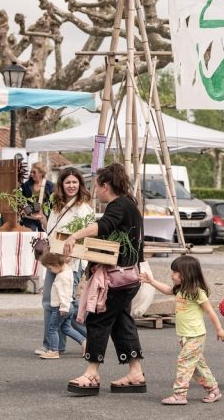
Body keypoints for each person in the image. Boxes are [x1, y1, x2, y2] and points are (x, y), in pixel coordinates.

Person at [63, 162, 146, 395]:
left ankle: (91, 373)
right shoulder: (129, 204)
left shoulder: (118, 204)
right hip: (130, 275)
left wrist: (74, 236)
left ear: (105, 185)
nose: (95, 191)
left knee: (98, 319)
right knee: (121, 323)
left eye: (96, 186)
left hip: (118, 277)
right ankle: (135, 373)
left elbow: (103, 226)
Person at [140, 256, 224, 405]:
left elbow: (210, 311)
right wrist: (151, 281)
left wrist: (219, 329)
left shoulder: (198, 292)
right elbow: (167, 290)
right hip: (184, 336)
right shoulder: (180, 289)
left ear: (185, 274)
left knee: (184, 363)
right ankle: (214, 390)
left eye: (174, 272)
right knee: (198, 366)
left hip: (196, 336)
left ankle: (179, 395)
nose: (171, 275)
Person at [33, 167, 93, 357]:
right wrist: (42, 218)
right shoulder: (57, 206)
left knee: (63, 305)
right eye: (68, 182)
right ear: (61, 184)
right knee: (51, 302)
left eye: (75, 182)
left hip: (70, 263)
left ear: (80, 184)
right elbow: (52, 232)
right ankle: (53, 345)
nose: (71, 186)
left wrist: (71, 257)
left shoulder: (84, 209)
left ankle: (89, 339)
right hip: (54, 259)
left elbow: (85, 238)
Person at [39, 252, 87, 359]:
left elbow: (64, 294)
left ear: (56, 264)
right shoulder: (68, 271)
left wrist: (63, 307)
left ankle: (54, 351)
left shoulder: (62, 277)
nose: (50, 271)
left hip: (61, 308)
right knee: (66, 328)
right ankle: (84, 342)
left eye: (50, 268)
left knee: (53, 328)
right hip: (67, 306)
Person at [21, 162, 54, 232]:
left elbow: (53, 202)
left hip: (44, 218)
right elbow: (22, 199)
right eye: (31, 172)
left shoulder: (50, 186)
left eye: (34, 172)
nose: (31, 174)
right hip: (30, 218)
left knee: (43, 238)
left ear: (41, 173)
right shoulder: (26, 185)